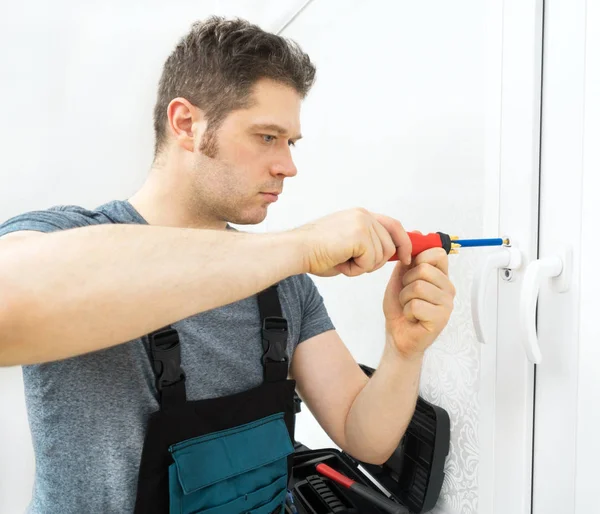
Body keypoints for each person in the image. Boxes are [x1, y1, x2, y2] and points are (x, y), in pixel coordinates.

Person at [0, 17, 455, 514]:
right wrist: (300, 244)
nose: (288, 165)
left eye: (291, 142)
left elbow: (364, 436)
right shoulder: (65, 237)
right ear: (186, 124)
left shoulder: (285, 284)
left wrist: (404, 350)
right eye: (266, 137)